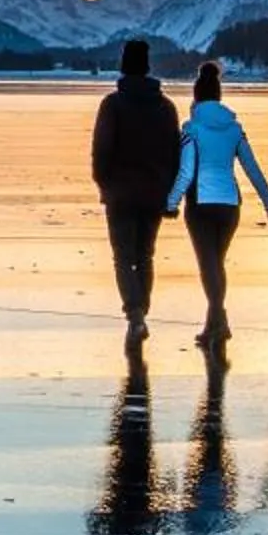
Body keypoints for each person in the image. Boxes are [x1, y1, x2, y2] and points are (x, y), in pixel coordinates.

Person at [162, 60, 268, 347]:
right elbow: (252, 167)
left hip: (201, 206)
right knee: (216, 264)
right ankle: (215, 324)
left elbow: (186, 171)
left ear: (196, 97)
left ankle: (219, 322)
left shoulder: (191, 129)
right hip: (229, 205)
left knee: (209, 264)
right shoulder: (234, 130)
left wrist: (171, 202)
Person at [89, 38, 181, 345]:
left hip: (121, 195)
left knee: (122, 257)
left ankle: (135, 315)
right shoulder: (166, 107)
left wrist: (104, 183)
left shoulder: (112, 105)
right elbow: (175, 154)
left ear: (124, 67)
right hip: (155, 194)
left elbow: (101, 150)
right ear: (147, 66)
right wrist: (170, 193)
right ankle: (141, 312)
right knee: (145, 256)